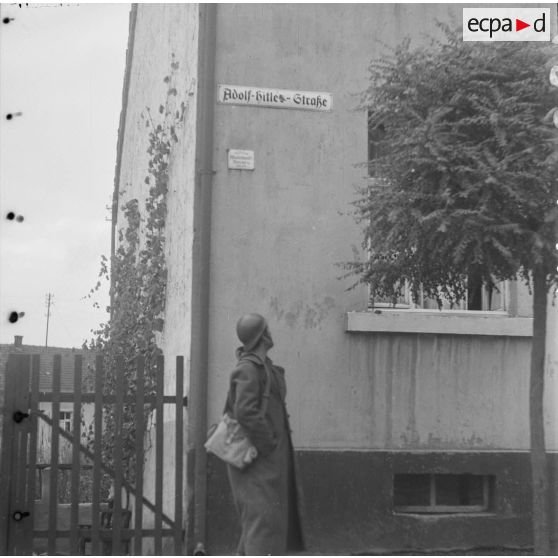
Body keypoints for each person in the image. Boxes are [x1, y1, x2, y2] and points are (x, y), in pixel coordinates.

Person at [224, 313, 305, 555]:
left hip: (267, 460)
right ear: (262, 335)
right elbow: (245, 413)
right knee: (263, 523)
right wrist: (269, 444)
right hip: (256, 459)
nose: (271, 333)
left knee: (263, 523)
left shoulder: (263, 366)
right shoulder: (247, 369)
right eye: (266, 329)